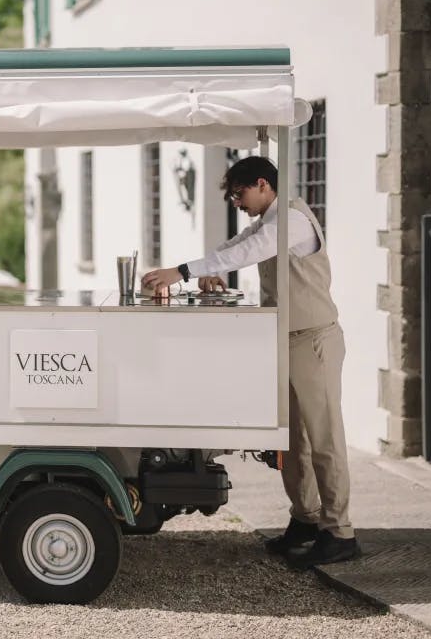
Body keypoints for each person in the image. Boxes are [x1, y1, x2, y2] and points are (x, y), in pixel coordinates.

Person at [141, 156, 360, 568]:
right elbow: (235, 247)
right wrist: (206, 268)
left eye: (239, 194)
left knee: (325, 441)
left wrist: (182, 272)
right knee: (293, 442)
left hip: (313, 341)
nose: (237, 202)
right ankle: (306, 520)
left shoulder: (292, 221)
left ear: (263, 184)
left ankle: (340, 530)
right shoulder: (270, 219)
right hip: (288, 342)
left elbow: (252, 250)